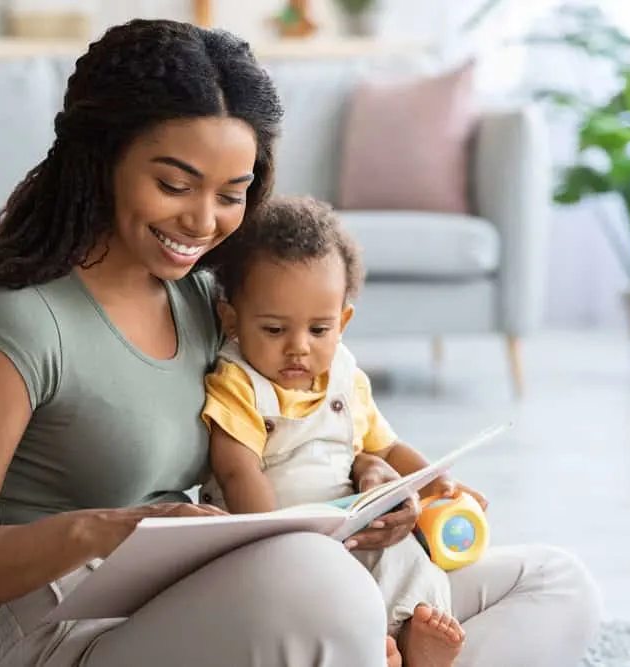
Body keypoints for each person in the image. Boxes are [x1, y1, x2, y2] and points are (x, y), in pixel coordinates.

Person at [0, 17, 603, 667]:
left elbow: (307, 416)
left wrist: (374, 483)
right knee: (320, 586)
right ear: (100, 157)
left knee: (553, 582)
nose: (203, 221)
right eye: (175, 184)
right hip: (83, 634)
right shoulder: (16, 322)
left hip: (235, 588)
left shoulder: (213, 299)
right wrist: (105, 530)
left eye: (232, 193)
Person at [199, 195, 478, 666]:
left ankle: (413, 638)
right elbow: (237, 471)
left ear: (343, 322)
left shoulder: (346, 378)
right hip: (276, 539)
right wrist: (276, 544)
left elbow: (386, 447)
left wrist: (437, 483)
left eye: (319, 330)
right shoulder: (238, 383)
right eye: (273, 330)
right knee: (324, 594)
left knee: (408, 562)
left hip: (351, 526)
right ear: (232, 321)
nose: (298, 349)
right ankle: (371, 647)